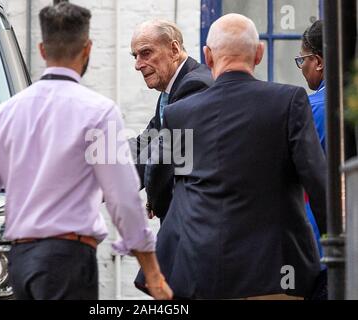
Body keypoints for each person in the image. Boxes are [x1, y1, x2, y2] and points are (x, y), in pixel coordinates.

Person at [0, 2, 172, 301]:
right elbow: (123, 198)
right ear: (87, 49)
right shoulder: (99, 113)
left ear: (41, 50)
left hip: (20, 261)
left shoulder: (3, 116)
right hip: (69, 260)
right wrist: (153, 273)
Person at [136, 13, 327, 299]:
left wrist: (157, 202)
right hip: (275, 271)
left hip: (202, 269)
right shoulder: (290, 102)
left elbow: (162, 179)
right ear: (259, 54)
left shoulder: (178, 112)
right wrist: (336, 248)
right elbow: (317, 182)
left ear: (208, 56)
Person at [130, 20, 214, 220]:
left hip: (195, 221)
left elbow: (164, 154)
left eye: (146, 53)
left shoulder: (194, 86)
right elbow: (145, 142)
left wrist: (103, 187)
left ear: (174, 50)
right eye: (135, 56)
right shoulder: (172, 88)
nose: (138, 65)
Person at [295, 19, 327, 300]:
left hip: (320, 241)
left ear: (317, 61)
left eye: (302, 59)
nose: (302, 67)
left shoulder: (312, 108)